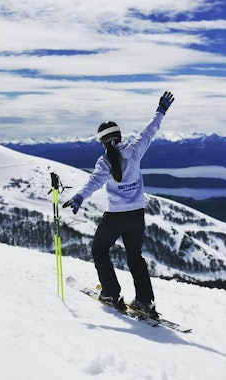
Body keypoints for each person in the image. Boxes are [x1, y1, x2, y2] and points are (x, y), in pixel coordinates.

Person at [63, 91, 175, 318]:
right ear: (120, 136)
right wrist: (161, 110)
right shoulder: (134, 151)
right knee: (136, 258)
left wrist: (79, 198)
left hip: (115, 217)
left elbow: (94, 181)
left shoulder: (104, 161)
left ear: (103, 141)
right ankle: (145, 301)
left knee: (100, 250)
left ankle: (111, 293)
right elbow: (150, 130)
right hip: (136, 216)